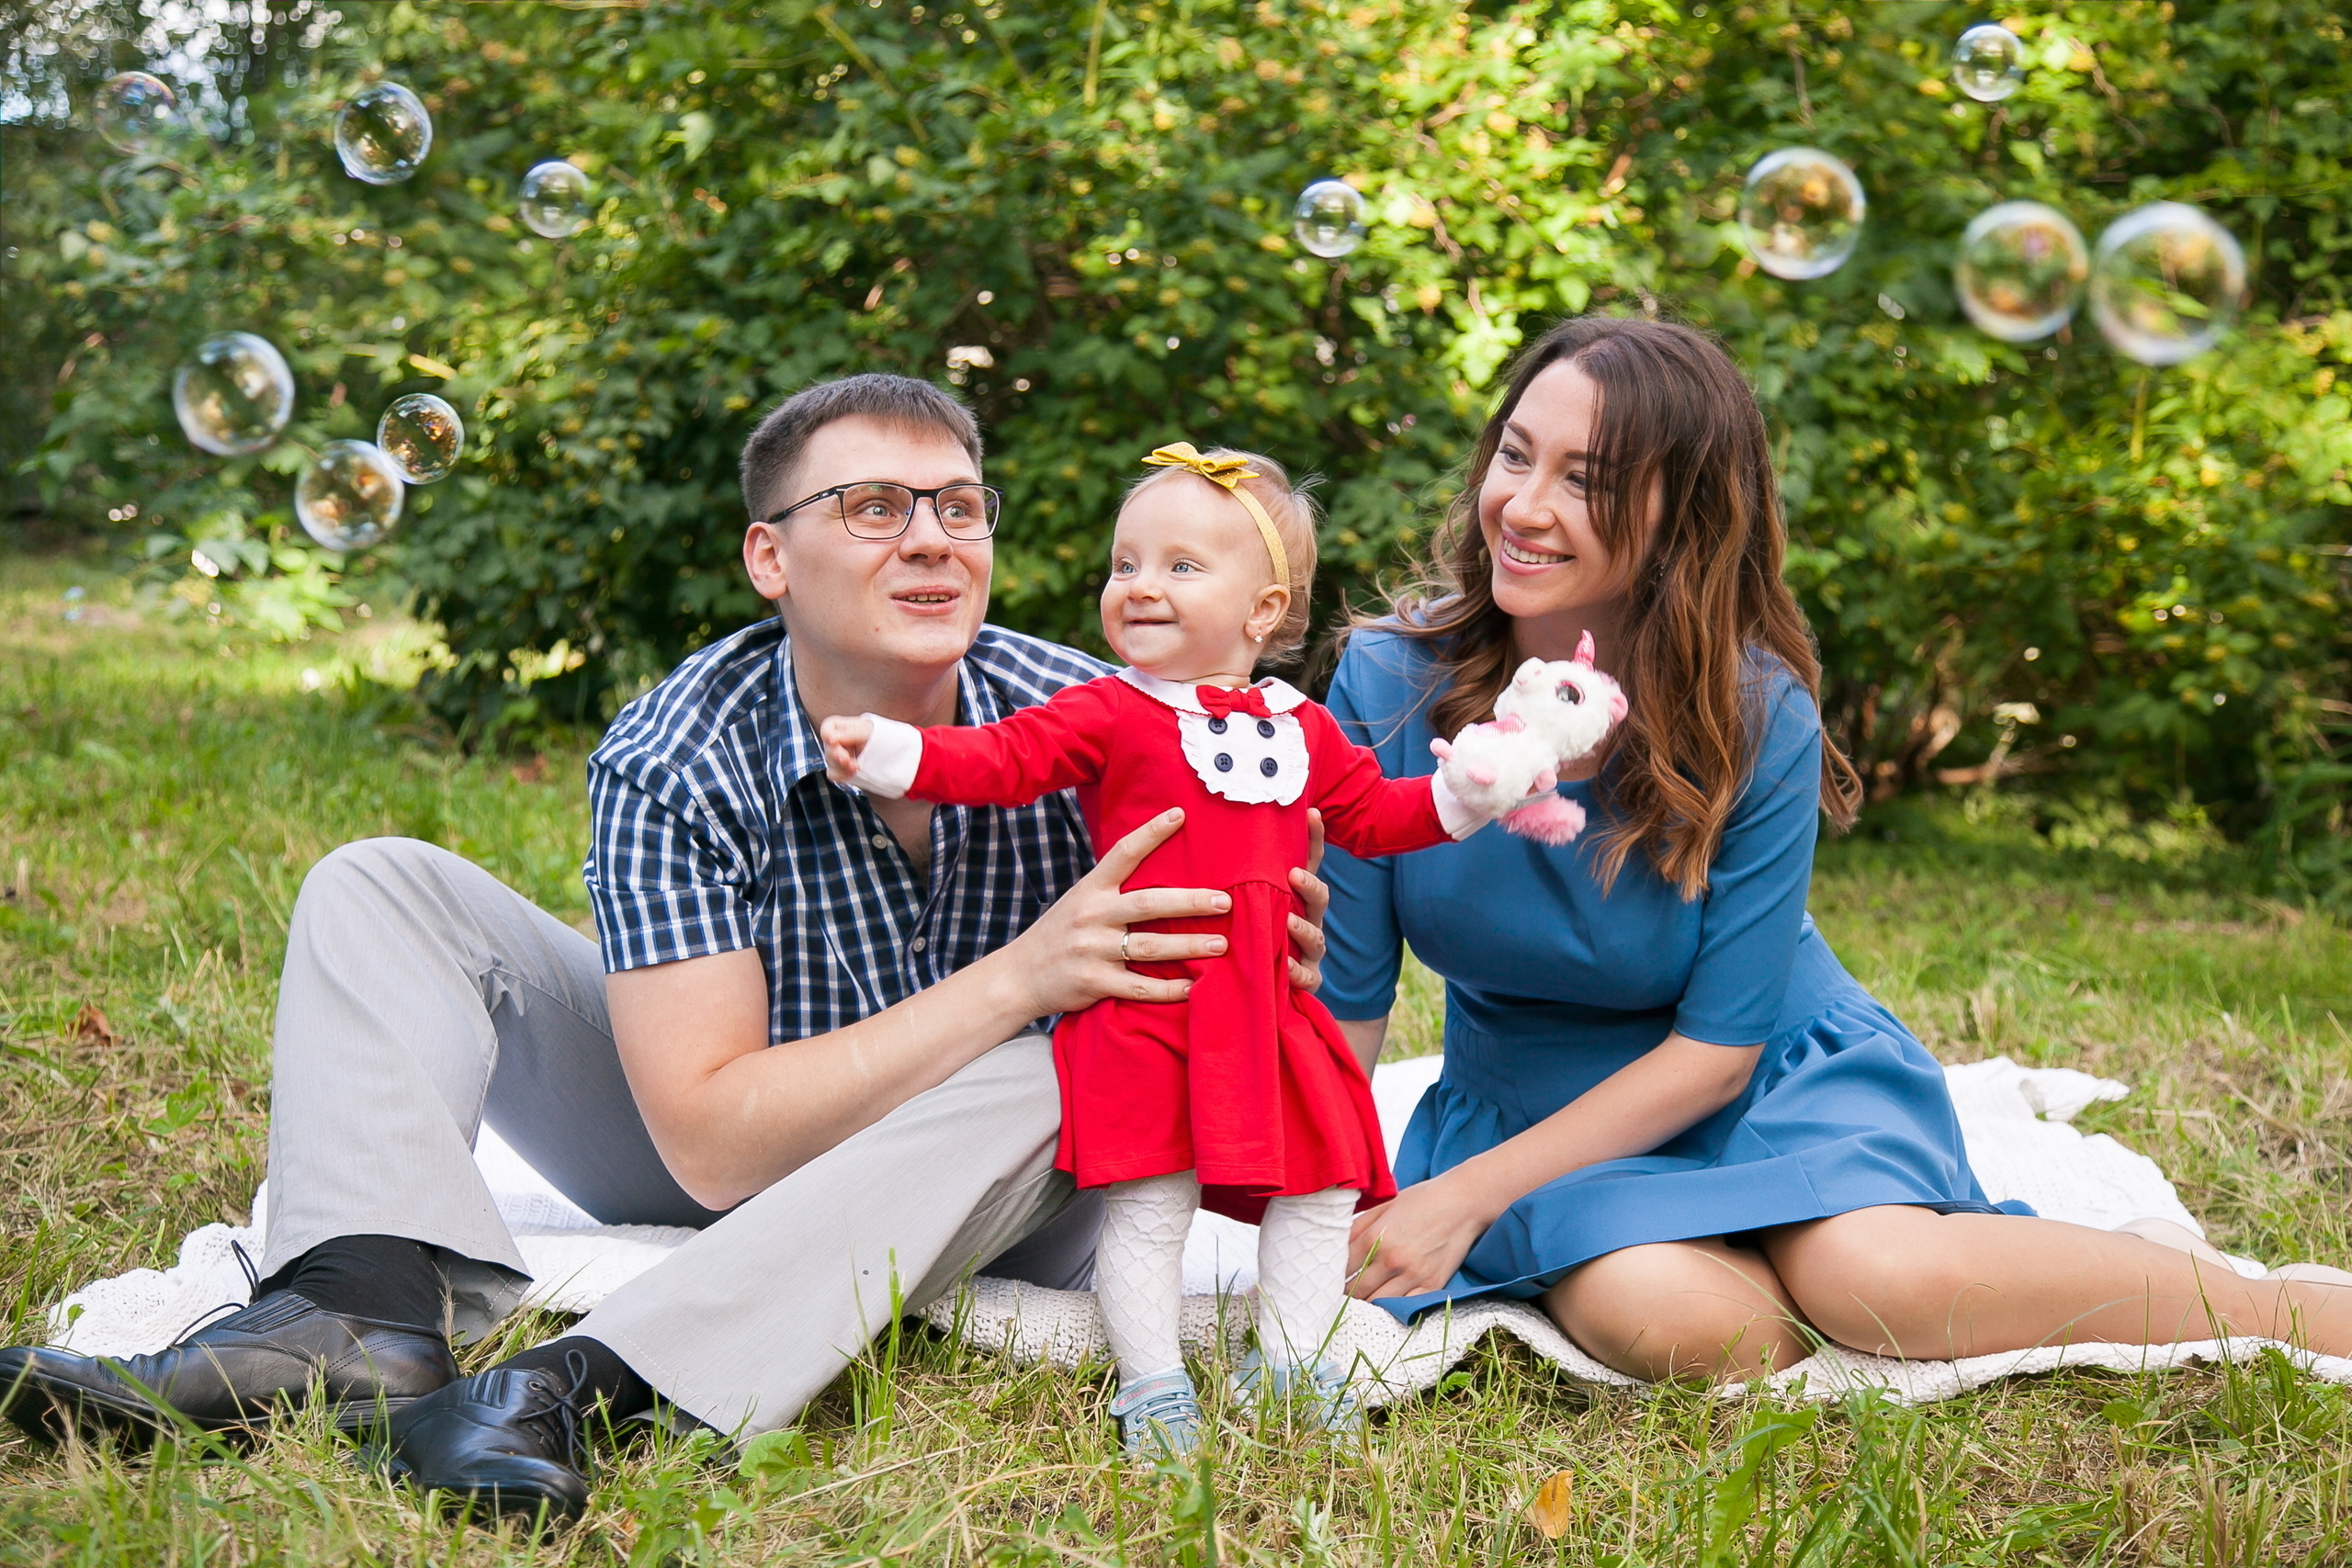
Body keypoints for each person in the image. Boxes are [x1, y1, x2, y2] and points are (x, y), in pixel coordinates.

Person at [0, 375, 1333, 1524]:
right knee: (385, 884)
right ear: (771, 558)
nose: (932, 540)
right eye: (874, 507)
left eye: (959, 506)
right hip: (749, 1141)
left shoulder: (1106, 717)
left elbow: (1249, 978)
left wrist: (1272, 946)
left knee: (1074, 1057)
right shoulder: (680, 744)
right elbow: (709, 1146)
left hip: (1018, 1181)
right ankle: (352, 1314)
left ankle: (577, 1383)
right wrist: (1020, 975)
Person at [1318, 315, 2352, 1381]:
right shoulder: (1384, 684)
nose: (1523, 507)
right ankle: (1778, 1250)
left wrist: (1471, 1200)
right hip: (1531, 1107)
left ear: (1686, 515)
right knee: (1685, 1326)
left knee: (1881, 1281)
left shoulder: (1753, 710)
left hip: (1766, 1078)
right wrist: (1323, 1207)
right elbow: (1346, 1000)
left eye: (1588, 479)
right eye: (1516, 455)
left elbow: (1719, 1049)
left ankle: (2260, 1300)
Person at [823, 443, 1499, 1455]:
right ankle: (1151, 1385)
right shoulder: (1111, 709)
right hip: (1152, 1006)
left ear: (1262, 609)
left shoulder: (1301, 727)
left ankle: (1294, 1358)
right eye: (1125, 563)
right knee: (1151, 1201)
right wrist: (893, 750)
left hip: (1267, 1011)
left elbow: (1375, 816)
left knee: (1314, 1189)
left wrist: (1471, 791)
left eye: (1180, 567)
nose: (1139, 586)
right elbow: (1004, 760)